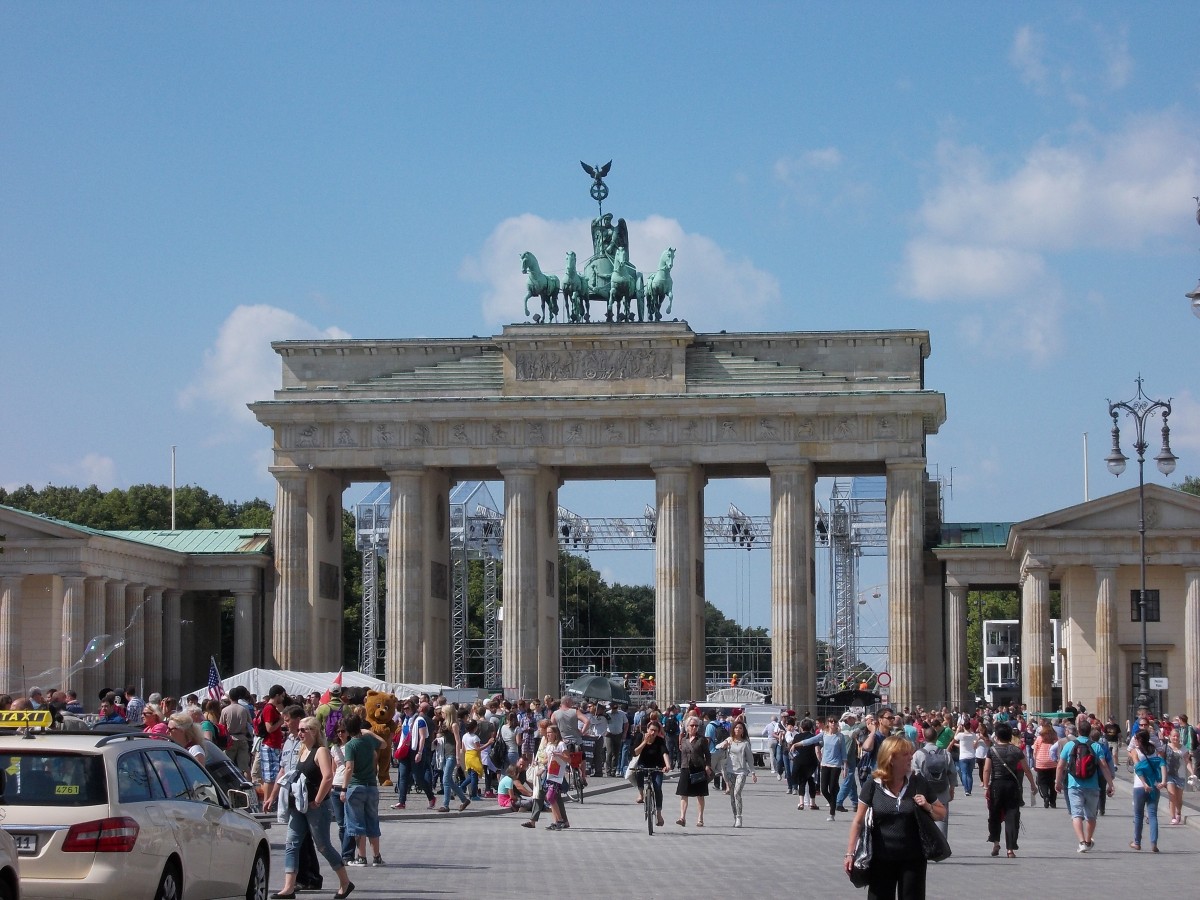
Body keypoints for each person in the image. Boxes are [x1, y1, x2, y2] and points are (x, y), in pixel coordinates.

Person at [844, 734, 945, 899]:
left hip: (913, 859)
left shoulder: (918, 782)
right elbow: (858, 821)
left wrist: (927, 806)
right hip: (880, 859)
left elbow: (941, 813)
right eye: (906, 754)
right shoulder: (873, 785)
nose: (911, 757)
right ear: (891, 758)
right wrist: (850, 854)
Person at [270, 716, 354, 900]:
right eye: (299, 729)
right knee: (291, 844)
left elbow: (328, 777)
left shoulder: (320, 750)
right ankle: (288, 887)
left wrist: (317, 800)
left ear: (314, 732)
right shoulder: (302, 750)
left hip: (317, 807)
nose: (299, 733)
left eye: (303, 729)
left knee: (323, 846)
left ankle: (345, 882)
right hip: (299, 805)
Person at [1054, 714, 1115, 853]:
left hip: (1074, 784)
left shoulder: (1070, 745)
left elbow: (1060, 765)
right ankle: (1088, 840)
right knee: (1091, 816)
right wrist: (1110, 784)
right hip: (1092, 785)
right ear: (1090, 732)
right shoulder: (1096, 746)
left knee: (1076, 815)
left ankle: (1081, 842)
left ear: (1078, 732)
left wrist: (1057, 782)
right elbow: (1104, 766)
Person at [982, 722, 1035, 858]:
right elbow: (1026, 769)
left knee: (994, 815)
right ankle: (1010, 849)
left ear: (997, 736)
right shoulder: (1016, 750)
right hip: (1012, 786)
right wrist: (1033, 785)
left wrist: (985, 786)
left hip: (996, 786)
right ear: (1010, 736)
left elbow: (987, 769)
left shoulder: (992, 750)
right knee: (1012, 816)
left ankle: (995, 843)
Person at [340, 713, 385, 868]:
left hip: (355, 785)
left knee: (357, 823)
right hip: (371, 785)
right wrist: (369, 732)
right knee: (372, 821)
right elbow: (384, 744)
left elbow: (349, 768)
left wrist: (343, 789)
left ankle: (362, 856)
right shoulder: (368, 740)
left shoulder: (350, 745)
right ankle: (377, 856)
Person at [912, 725, 954, 838]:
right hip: (942, 791)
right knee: (942, 818)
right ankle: (942, 845)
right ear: (936, 738)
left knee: (923, 819)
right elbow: (952, 773)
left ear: (924, 738)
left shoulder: (918, 754)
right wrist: (952, 789)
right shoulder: (946, 753)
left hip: (923, 794)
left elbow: (914, 774)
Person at [1128, 728, 1165, 852]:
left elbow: (1138, 768)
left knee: (1138, 815)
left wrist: (1144, 783)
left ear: (1139, 739)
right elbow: (1162, 763)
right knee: (1153, 815)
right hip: (1154, 785)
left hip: (1140, 786)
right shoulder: (1153, 749)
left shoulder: (1135, 751)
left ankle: (1137, 842)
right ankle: (1154, 843)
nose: (1134, 740)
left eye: (1135, 738)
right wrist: (1162, 781)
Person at [718, 719, 757, 828]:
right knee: (732, 796)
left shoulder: (745, 743)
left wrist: (753, 772)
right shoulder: (730, 740)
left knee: (737, 793)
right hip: (730, 770)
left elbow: (750, 759)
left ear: (743, 731)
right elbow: (718, 747)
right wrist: (725, 744)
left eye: (740, 728)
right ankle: (735, 816)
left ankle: (739, 817)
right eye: (736, 727)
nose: (737, 729)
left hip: (741, 771)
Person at [676, 715, 712, 827]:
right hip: (685, 767)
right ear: (687, 727)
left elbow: (708, 754)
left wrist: (707, 766)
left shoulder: (702, 740)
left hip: (698, 768)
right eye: (692, 725)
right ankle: (682, 817)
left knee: (700, 795)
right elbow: (682, 753)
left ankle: (700, 818)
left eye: (696, 726)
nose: (694, 727)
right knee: (683, 794)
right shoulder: (683, 739)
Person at [435, 704, 470, 813]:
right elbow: (439, 735)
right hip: (445, 753)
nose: (442, 714)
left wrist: (458, 757)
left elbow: (458, 741)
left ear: (448, 713)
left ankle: (446, 805)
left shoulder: (454, 725)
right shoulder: (445, 724)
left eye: (443, 712)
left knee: (446, 780)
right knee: (449, 780)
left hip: (452, 755)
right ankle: (464, 800)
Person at [1031, 723, 1059, 808]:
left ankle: (1046, 797)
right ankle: (1053, 801)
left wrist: (1035, 760)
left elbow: (1035, 751)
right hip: (1053, 762)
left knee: (1042, 782)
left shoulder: (1039, 738)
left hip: (1041, 762)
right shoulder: (1054, 738)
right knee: (1052, 782)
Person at [952, 719, 976, 797]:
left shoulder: (960, 735)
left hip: (963, 756)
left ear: (963, 727)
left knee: (964, 773)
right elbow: (974, 743)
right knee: (969, 774)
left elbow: (954, 739)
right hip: (971, 756)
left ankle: (966, 790)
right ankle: (969, 789)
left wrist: (958, 730)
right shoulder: (973, 735)